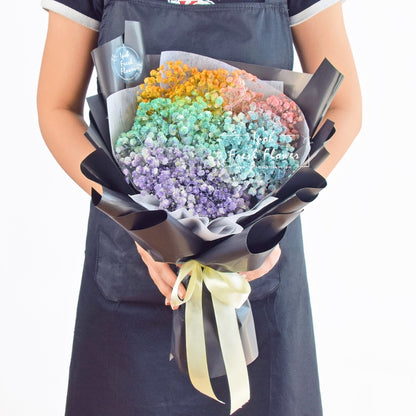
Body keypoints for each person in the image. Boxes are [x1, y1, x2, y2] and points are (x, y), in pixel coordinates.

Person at [37, 0, 361, 415]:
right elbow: (56, 107)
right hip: (131, 279)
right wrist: (139, 220)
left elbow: (344, 105)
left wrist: (271, 214)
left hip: (258, 279)